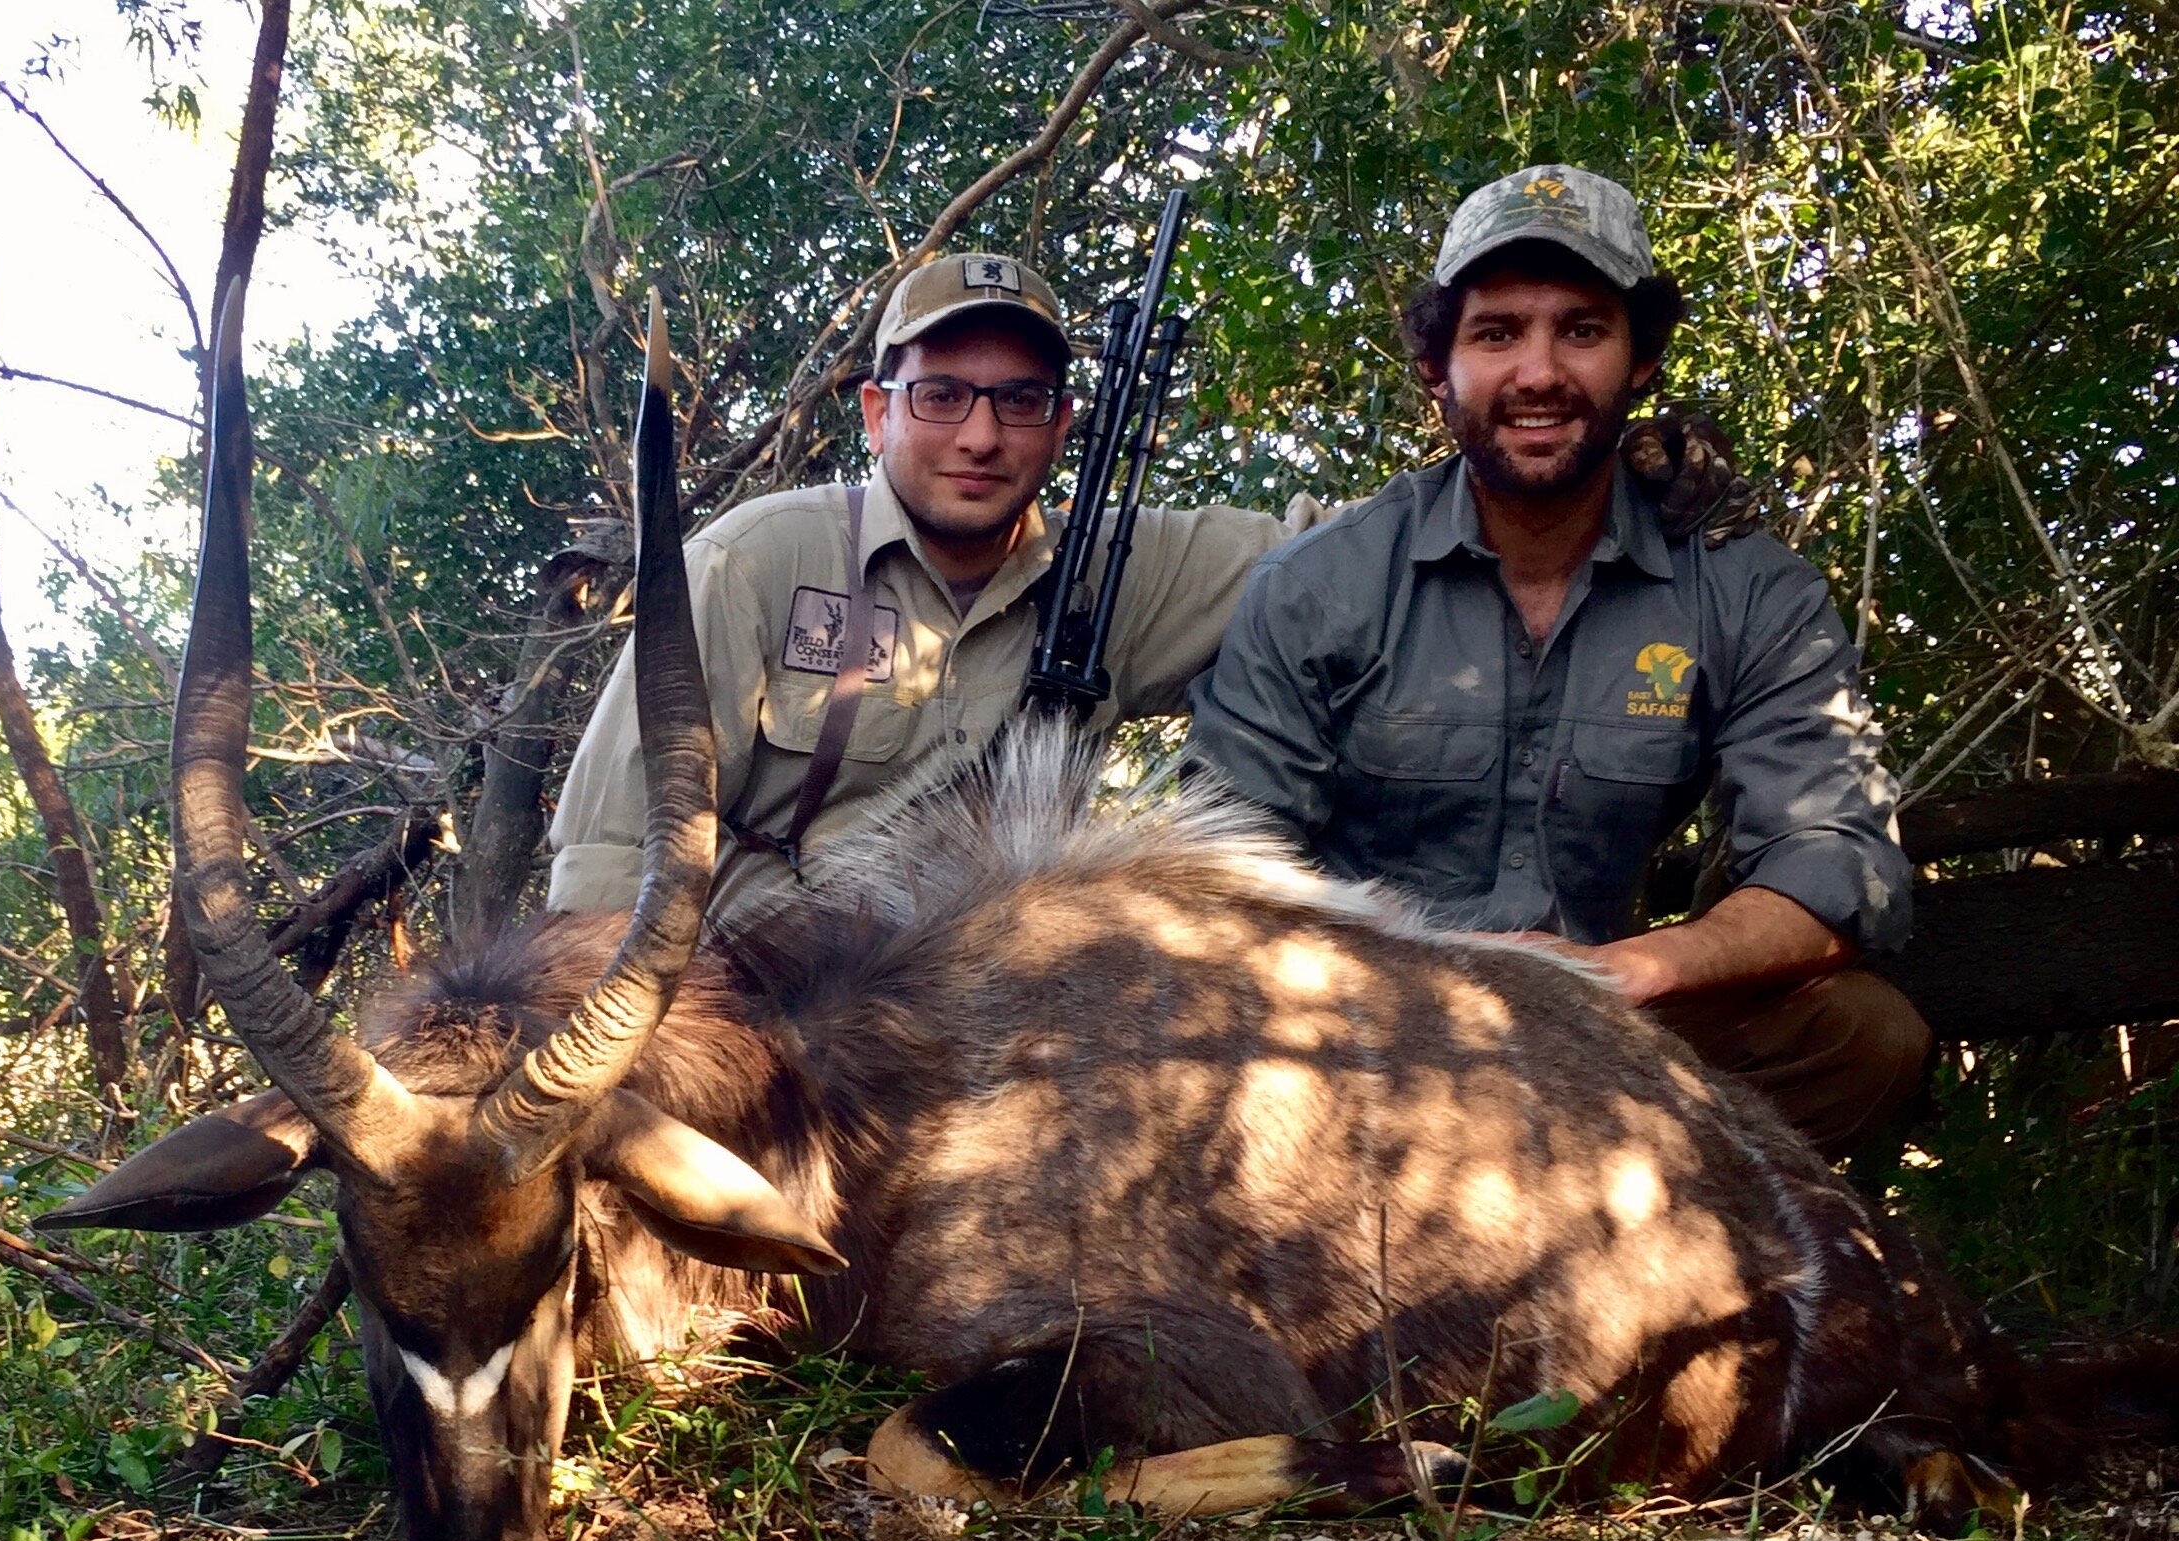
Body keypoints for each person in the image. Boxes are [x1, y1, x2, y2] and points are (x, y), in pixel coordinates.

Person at [548, 247, 1751, 928]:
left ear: (1063, 424)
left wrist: (1606, 483)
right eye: (940, 394)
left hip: (969, 1017)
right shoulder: (751, 561)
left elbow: (1353, 550)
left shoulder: (1125, 563)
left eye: (1020, 400)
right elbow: (608, 859)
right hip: (751, 992)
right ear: (875, 411)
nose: (980, 434)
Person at [1186, 165, 1928, 1160]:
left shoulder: (1745, 588)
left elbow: (1840, 861)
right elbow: (1221, 881)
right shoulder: (1317, 587)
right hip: (1361, 1041)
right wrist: (1406, 991)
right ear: (1436, 369)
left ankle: (1624, 1241)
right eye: (1496, 333)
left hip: (1612, 1031)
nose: (1538, 372)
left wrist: (1628, 971)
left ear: (1641, 360)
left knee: (1861, 1035)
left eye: (1580, 329)